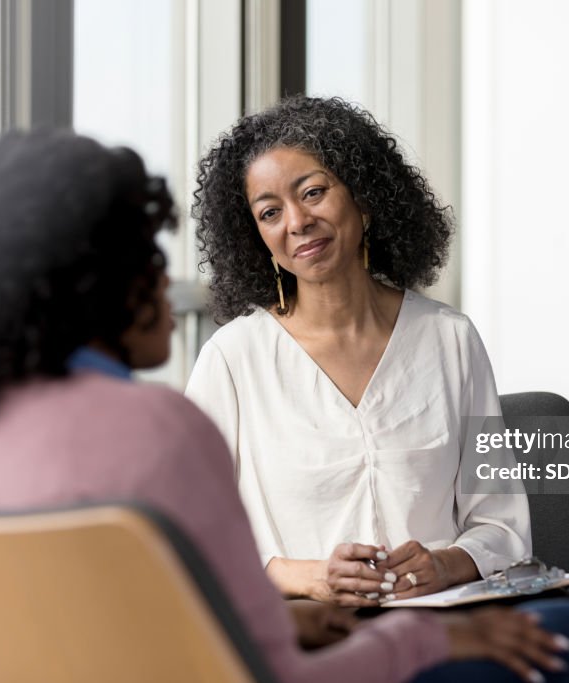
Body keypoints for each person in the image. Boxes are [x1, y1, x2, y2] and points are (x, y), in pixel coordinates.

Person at [0, 129, 569, 683]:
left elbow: (178, 603)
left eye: (313, 192)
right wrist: (430, 639)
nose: (172, 286)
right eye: (148, 259)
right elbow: (261, 661)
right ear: (88, 282)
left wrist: (324, 608)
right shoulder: (166, 421)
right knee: (565, 635)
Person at [187, 95, 529, 605]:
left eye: (314, 192)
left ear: (364, 199)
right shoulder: (233, 360)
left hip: (445, 620)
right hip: (310, 633)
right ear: (255, 235)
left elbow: (501, 524)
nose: (297, 221)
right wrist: (308, 577)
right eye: (270, 212)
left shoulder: (450, 340)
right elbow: (191, 537)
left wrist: (445, 563)